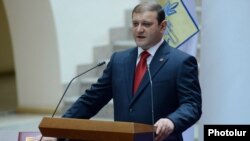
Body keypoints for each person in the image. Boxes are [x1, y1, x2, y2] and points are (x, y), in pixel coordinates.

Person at [60, 2, 202, 141]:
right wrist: (57, 130)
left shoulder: (180, 62)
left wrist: (171, 121)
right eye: (135, 24)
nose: (139, 29)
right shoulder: (119, 60)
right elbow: (91, 100)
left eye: (146, 24)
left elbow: (192, 105)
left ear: (163, 26)